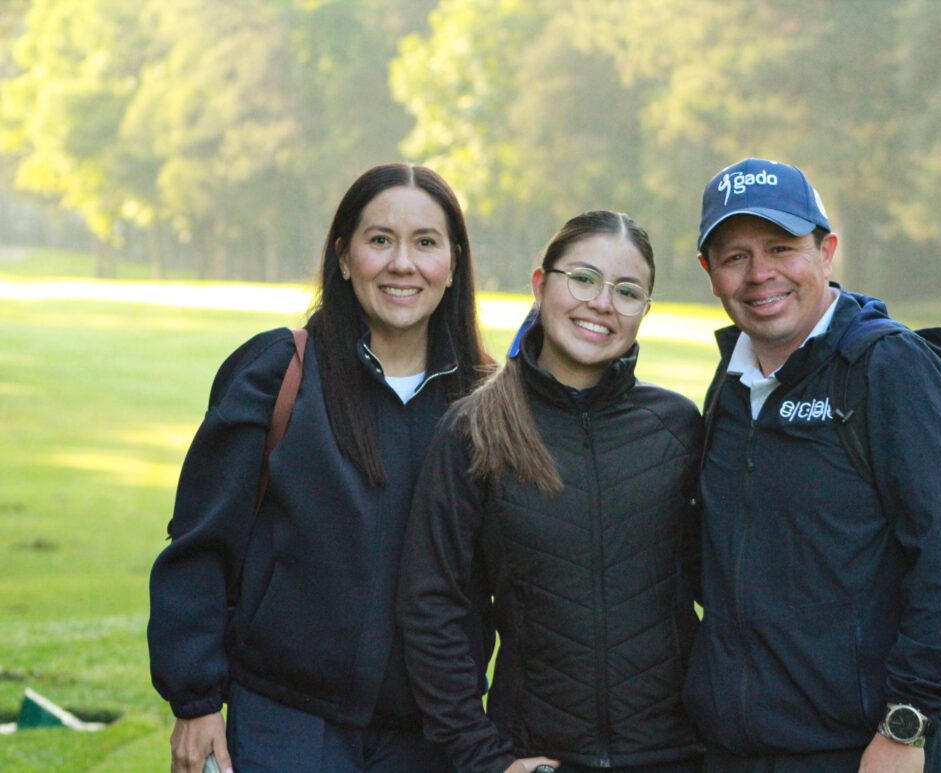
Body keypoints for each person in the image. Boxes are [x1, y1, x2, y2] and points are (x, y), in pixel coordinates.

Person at [148, 163, 494, 772]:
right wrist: (195, 701)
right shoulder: (277, 373)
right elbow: (201, 546)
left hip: (432, 737)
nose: (402, 264)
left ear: (454, 263)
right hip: (285, 725)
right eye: (380, 239)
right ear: (343, 257)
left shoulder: (488, 404)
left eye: (425, 243)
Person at [682, 158, 941, 772]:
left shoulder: (888, 366)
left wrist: (906, 725)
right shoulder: (732, 381)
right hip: (734, 751)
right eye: (735, 256)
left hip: (865, 751)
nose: (760, 274)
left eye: (781, 248)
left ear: (826, 252)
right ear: (709, 273)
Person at [398, 210, 704, 773]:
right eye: (583, 279)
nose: (602, 303)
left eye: (627, 291)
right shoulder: (476, 429)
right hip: (535, 756)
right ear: (541, 285)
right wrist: (482, 756)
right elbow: (433, 608)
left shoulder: (677, 428)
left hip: (677, 755)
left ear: (644, 310)